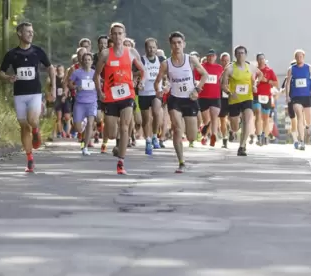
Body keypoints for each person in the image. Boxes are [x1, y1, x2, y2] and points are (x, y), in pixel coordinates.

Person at [0, 22, 55, 173]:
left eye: (32, 31)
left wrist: (53, 88)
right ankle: (30, 159)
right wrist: (8, 78)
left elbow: (50, 68)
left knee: (32, 121)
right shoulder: (12, 54)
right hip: (19, 95)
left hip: (35, 93)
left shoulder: (37, 51)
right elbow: (1, 72)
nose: (31, 34)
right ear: (19, 33)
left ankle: (36, 130)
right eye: (28, 31)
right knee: (23, 126)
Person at [94, 22, 145, 175]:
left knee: (124, 127)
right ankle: (117, 144)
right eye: (114, 33)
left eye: (120, 33)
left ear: (124, 35)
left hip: (127, 94)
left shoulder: (131, 52)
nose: (117, 36)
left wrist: (141, 81)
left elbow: (143, 70)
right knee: (110, 133)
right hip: (110, 96)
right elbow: (96, 75)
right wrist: (99, 92)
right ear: (111, 36)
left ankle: (121, 162)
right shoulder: (105, 54)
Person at [155, 31, 208, 173]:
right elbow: (158, 81)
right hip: (175, 100)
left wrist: (197, 89)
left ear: (184, 44)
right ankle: (181, 162)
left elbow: (204, 74)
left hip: (190, 99)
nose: (177, 45)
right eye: (174, 43)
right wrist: (159, 90)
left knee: (191, 136)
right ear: (170, 45)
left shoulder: (191, 60)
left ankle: (193, 135)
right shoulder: (166, 64)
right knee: (178, 129)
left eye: (179, 43)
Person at [221, 45, 262, 156]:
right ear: (235, 55)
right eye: (238, 53)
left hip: (247, 98)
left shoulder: (251, 67)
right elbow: (223, 85)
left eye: (242, 53)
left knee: (248, 120)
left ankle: (242, 146)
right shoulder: (229, 68)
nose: (240, 55)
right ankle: (232, 129)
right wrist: (229, 92)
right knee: (235, 126)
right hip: (234, 99)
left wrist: (255, 84)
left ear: (246, 55)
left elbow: (260, 74)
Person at [285, 49, 311, 150]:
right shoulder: (291, 69)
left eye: (301, 56)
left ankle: (308, 127)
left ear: (303, 57)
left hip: (307, 96)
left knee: (308, 120)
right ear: (295, 58)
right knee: (299, 116)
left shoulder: (309, 67)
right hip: (296, 97)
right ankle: (302, 141)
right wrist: (287, 96)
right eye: (297, 57)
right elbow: (287, 83)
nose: (299, 58)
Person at [69, 53, 98, 155]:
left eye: (89, 59)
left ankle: (85, 147)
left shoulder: (95, 73)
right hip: (80, 102)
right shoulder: (77, 73)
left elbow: (100, 84)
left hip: (92, 102)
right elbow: (70, 84)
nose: (87, 61)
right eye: (85, 60)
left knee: (91, 123)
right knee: (78, 128)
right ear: (82, 61)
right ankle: (83, 123)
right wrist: (76, 87)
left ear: (92, 61)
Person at [195, 49, 223, 147]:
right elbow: (196, 79)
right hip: (203, 96)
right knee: (206, 120)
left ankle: (213, 136)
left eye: (213, 56)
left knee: (214, 116)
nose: (211, 57)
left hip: (215, 96)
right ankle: (204, 128)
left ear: (216, 57)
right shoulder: (201, 67)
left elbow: (222, 80)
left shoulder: (219, 68)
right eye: (209, 56)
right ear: (206, 57)